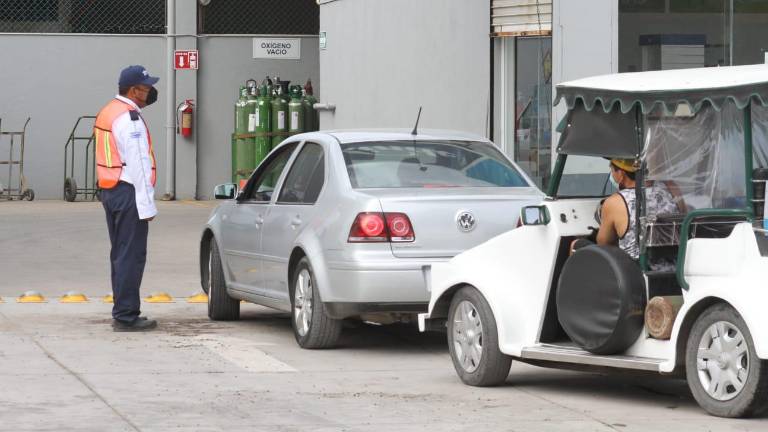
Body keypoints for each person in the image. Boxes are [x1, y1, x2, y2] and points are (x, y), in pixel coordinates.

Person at [94, 65, 159, 331]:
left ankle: (123, 309)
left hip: (111, 191)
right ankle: (126, 315)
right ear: (134, 90)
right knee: (131, 256)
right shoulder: (128, 117)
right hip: (128, 192)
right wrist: (147, 204)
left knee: (121, 254)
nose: (150, 91)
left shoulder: (109, 110)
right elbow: (139, 164)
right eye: (146, 87)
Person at [571, 158, 678, 269]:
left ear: (621, 174)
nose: (611, 174)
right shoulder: (670, 188)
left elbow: (603, 244)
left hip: (635, 272)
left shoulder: (615, 201)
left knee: (576, 244)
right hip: (673, 267)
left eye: (612, 169)